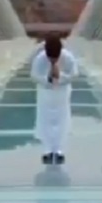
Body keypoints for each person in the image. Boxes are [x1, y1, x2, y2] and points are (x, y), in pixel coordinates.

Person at [30, 35, 78, 164]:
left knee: (61, 120)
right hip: (45, 93)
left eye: (55, 57)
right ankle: (47, 150)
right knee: (45, 120)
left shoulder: (68, 58)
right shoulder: (40, 59)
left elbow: (74, 74)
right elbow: (34, 75)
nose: (53, 60)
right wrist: (47, 79)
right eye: (50, 58)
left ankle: (59, 149)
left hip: (62, 92)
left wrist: (60, 77)